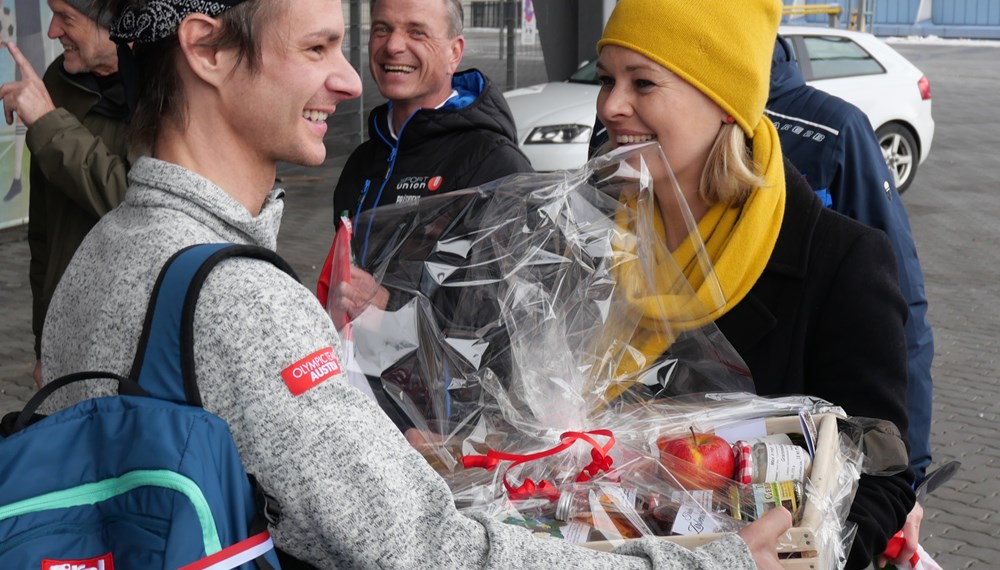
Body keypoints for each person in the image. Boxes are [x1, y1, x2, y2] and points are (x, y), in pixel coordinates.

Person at [41, 0, 790, 568]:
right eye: (317, 46)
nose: (346, 76)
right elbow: (424, 548)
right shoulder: (238, 296)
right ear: (205, 48)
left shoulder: (106, 248)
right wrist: (708, 558)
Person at [593, 1, 915, 569]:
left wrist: (800, 557)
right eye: (607, 79)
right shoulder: (587, 236)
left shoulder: (840, 261)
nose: (611, 106)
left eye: (642, 82)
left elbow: (883, 474)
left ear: (723, 101)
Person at [768, 34, 935, 485]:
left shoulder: (832, 128)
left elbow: (902, 303)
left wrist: (907, 469)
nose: (615, 103)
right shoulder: (622, 124)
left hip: (806, 465)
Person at [317, 0, 532, 306]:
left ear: (453, 53)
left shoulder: (494, 164)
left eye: (417, 32)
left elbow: (516, 306)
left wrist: (391, 309)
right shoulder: (362, 162)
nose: (392, 46)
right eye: (382, 28)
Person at [0, 0, 130, 389]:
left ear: (112, 23)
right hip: (66, 344)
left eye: (66, 17)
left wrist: (48, 124)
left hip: (133, 352)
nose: (53, 31)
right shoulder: (58, 80)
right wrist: (46, 345)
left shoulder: (167, 91)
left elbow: (137, 203)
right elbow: (44, 236)